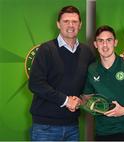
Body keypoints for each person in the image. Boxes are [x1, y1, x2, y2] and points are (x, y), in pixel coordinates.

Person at [28, 5, 95, 141]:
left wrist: (122, 61)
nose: (71, 25)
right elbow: (35, 84)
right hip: (45, 128)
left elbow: (97, 76)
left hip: (72, 127)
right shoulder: (46, 50)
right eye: (66, 21)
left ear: (80, 25)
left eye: (75, 21)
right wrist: (66, 101)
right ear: (58, 24)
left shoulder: (87, 52)